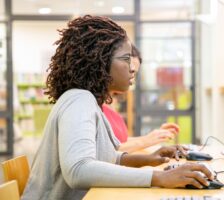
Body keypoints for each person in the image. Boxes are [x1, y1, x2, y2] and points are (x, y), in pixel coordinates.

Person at [21, 15, 213, 200]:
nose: (132, 68)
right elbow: (79, 170)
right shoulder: (79, 100)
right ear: (101, 62)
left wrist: (148, 159)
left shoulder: (90, 101)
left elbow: (105, 158)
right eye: (126, 59)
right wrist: (159, 177)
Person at [103, 45, 179, 153]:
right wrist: (146, 140)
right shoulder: (94, 105)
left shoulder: (110, 102)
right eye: (130, 71)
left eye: (135, 73)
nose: (132, 78)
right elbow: (108, 151)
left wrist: (154, 136)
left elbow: (120, 141)